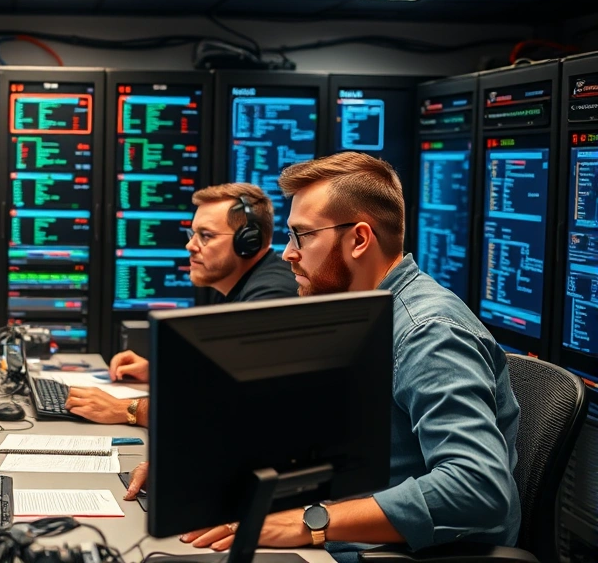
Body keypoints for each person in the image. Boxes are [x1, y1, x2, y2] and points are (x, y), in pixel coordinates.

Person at [126, 152, 521, 562]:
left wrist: (307, 522)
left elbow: (477, 486)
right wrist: (200, 464)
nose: (286, 253)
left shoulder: (427, 331)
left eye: (302, 235)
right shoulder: (356, 315)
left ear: (359, 239)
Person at [64, 183, 297, 425]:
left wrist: (128, 409)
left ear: (248, 242)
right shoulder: (239, 287)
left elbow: (228, 404)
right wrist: (158, 372)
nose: (190, 245)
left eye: (205, 236)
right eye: (193, 234)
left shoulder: (271, 297)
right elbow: (218, 375)